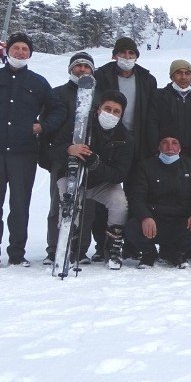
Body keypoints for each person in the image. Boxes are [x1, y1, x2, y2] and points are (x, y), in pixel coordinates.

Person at [0, 32, 65, 266]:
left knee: (20, 205)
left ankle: (17, 255)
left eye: (24, 49)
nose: (20, 52)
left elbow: (58, 108)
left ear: (30, 53)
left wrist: (43, 126)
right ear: (7, 50)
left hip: (24, 152)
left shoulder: (38, 82)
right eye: (16, 48)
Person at [53, 89, 134, 269]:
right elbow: (53, 151)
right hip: (72, 177)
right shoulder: (79, 125)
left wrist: (96, 164)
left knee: (119, 203)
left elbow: (120, 174)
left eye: (116, 111)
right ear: (99, 109)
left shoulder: (125, 138)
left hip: (101, 183)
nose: (110, 114)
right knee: (69, 203)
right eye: (108, 109)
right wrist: (69, 149)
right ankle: (68, 244)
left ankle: (112, 248)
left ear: (121, 115)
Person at [40, 51, 95, 265]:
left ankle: (80, 249)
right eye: (77, 66)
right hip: (62, 157)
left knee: (87, 205)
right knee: (60, 203)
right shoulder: (57, 94)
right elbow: (46, 129)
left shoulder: (98, 95)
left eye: (86, 66)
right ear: (70, 69)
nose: (81, 69)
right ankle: (54, 248)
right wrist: (50, 157)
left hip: (89, 157)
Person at [125, 129, 191, 268]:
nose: (170, 147)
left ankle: (176, 253)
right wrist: (145, 217)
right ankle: (148, 253)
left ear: (180, 148)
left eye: (174, 143)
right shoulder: (145, 166)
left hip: (180, 221)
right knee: (132, 226)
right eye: (165, 143)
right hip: (154, 222)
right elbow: (137, 197)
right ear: (159, 147)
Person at [94, 37, 157, 168]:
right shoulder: (101, 75)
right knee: (108, 176)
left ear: (136, 57)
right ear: (114, 55)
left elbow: (152, 110)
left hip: (137, 136)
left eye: (131, 53)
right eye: (122, 52)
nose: (127, 56)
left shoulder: (147, 79)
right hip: (109, 135)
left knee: (135, 179)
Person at [148, 60, 191, 167]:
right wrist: (156, 150)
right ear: (172, 76)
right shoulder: (159, 96)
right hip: (167, 153)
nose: (183, 77)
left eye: (187, 73)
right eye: (179, 73)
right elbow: (152, 124)